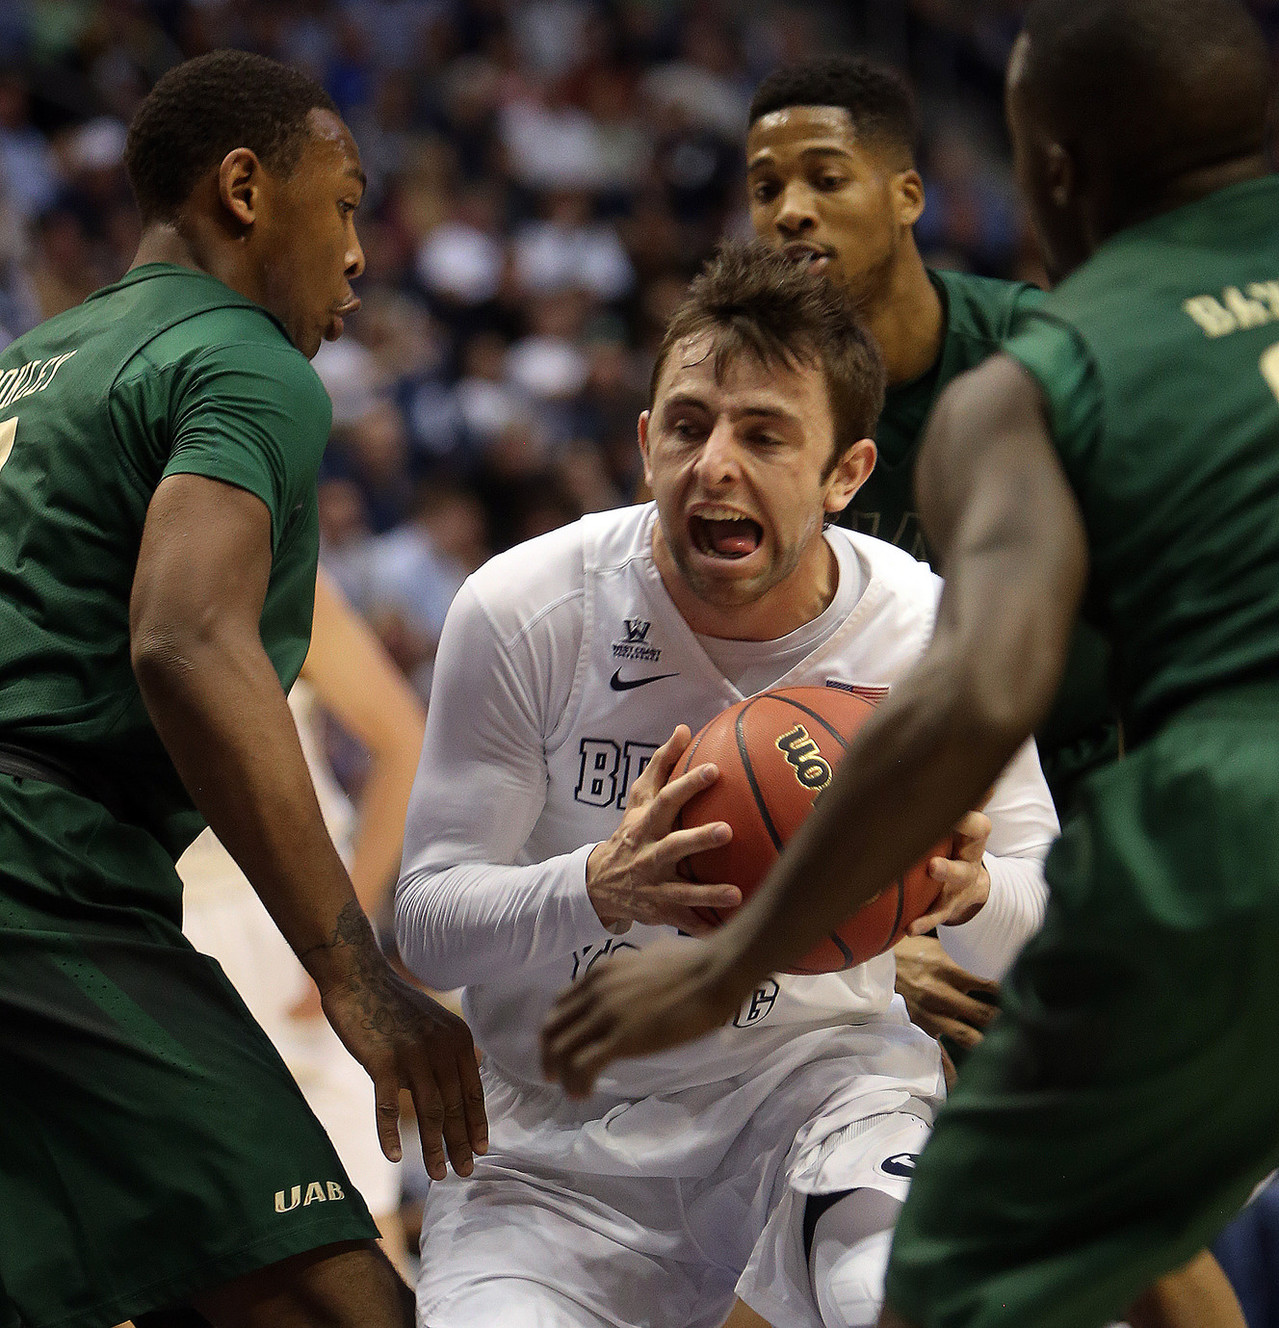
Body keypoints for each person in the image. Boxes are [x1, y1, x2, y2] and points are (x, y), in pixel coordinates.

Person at [541, 2, 1279, 1325]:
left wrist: (734, 956)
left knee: (936, 1287)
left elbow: (978, 696)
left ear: (1044, 167)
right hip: (976, 868)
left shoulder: (1042, 373)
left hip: (1179, 842)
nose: (789, 211)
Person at [396, 241, 1057, 1328]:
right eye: (692, 424)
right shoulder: (524, 606)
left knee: (901, 1293)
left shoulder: (935, 630)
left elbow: (1043, 925)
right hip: (556, 1148)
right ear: (647, 440)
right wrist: (598, 883)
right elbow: (426, 924)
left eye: (764, 433)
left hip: (821, 1096)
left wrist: (967, 894)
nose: (715, 463)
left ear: (846, 473)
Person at [741, 55, 1244, 1328]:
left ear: (908, 194)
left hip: (1102, 796)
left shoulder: (1030, 356)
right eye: (762, 186)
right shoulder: (764, 398)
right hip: (900, 819)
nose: (787, 209)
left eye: (822, 177)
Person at [0, 50, 485, 1328]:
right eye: (345, 203)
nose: (362, 253)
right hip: (44, 877)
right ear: (244, 189)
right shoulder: (245, 359)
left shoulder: (31, 365)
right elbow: (185, 639)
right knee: (340, 1301)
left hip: (56, 873)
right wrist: (356, 973)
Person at [179, 567, 426, 1273]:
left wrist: (340, 941)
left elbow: (402, 741)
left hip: (288, 917)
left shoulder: (268, 555)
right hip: (139, 924)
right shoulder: (47, 564)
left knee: (360, 1256)